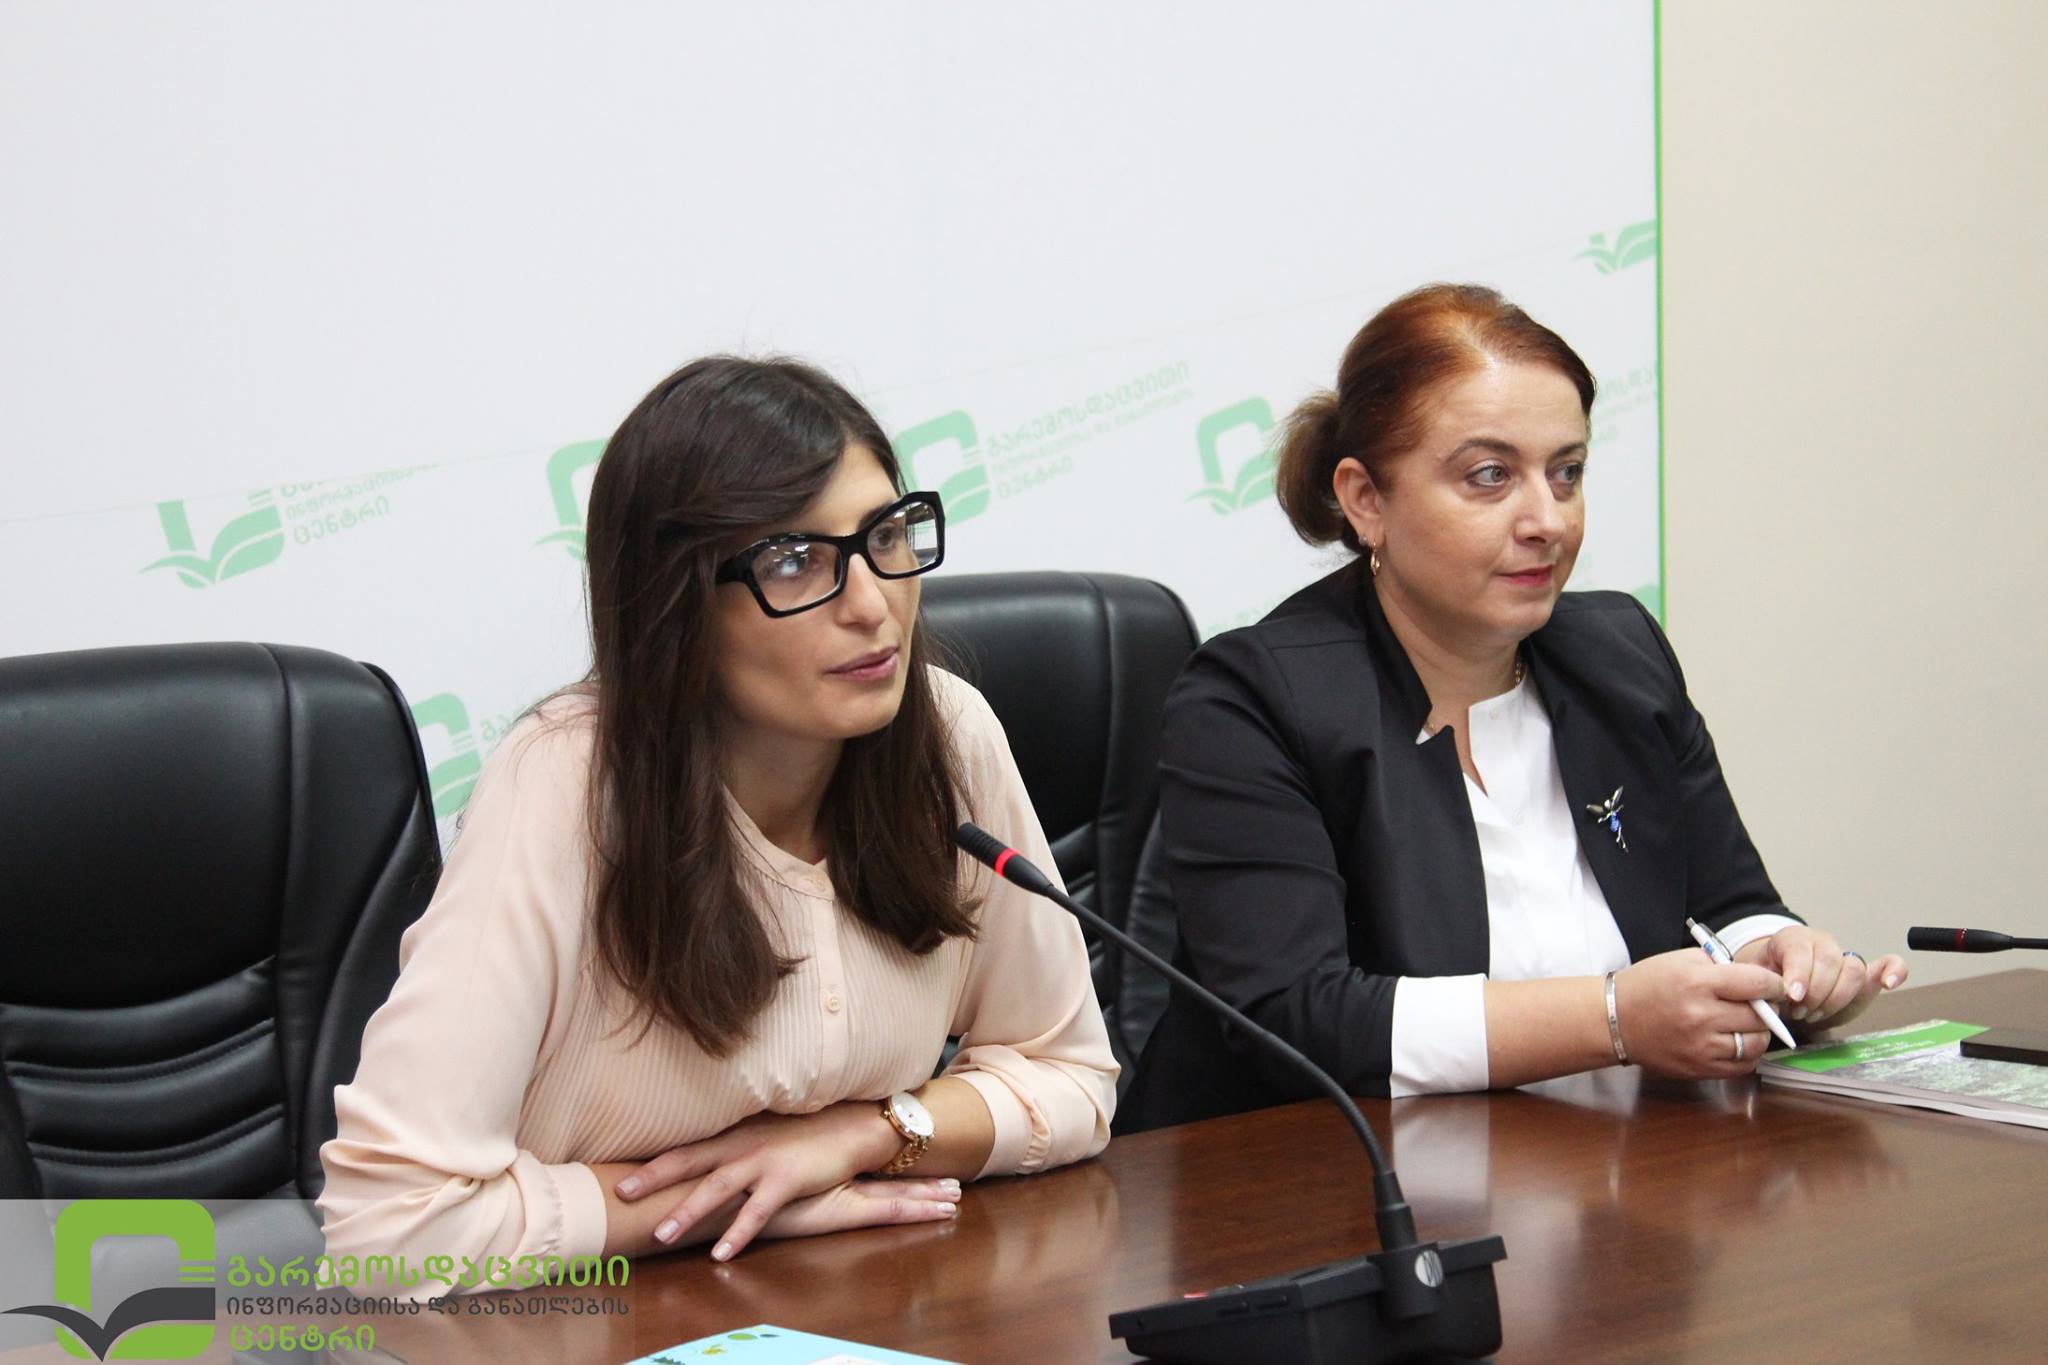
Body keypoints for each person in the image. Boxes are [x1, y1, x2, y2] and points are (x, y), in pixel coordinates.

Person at [319, 357, 1116, 1283]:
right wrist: (741, 1197)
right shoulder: (565, 784)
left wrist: (868, 1134)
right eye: (794, 560)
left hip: (853, 1308)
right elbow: (388, 1229)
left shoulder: (947, 733)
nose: (872, 605)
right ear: (677, 602)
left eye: (887, 535)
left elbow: (1073, 1078)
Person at [1120, 284, 1905, 1128]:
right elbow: (1297, 1015)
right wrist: (1614, 1017)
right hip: (1312, 1180)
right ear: (1366, 499)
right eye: (1490, 476)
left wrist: (1780, 958)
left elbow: (1729, 902)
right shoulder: (1252, 698)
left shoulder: (1619, 656)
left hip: (1607, 1167)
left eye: (1566, 473)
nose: (1547, 520)